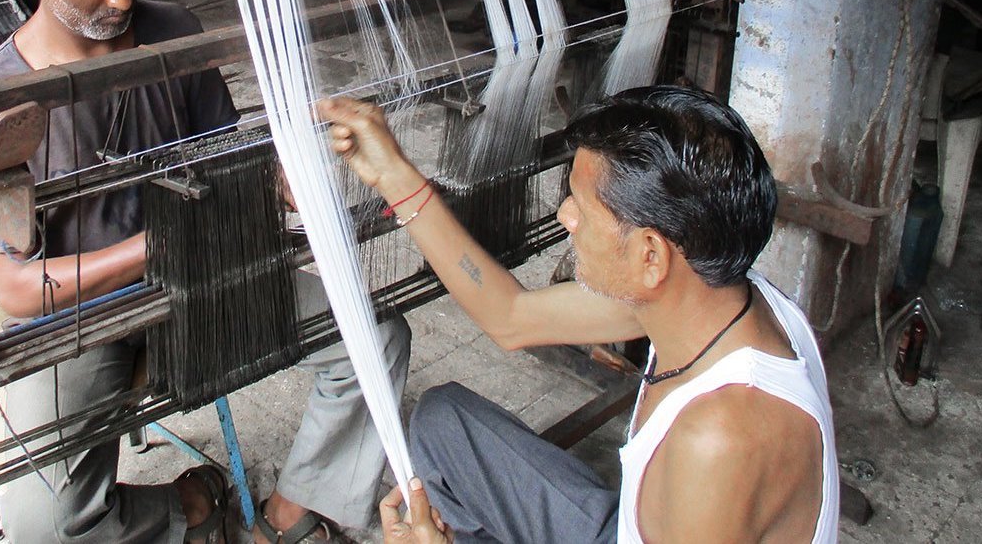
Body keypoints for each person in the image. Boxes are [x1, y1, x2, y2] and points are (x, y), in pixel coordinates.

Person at [0, 0, 411, 544]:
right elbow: (20, 291)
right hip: (82, 313)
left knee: (374, 341)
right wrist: (154, 244)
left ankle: (292, 509)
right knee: (43, 530)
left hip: (204, 273)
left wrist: (279, 179)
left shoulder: (172, 29)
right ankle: (188, 505)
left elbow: (224, 154)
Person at [318, 87, 840, 543]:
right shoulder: (703, 293)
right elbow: (512, 316)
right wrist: (391, 174)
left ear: (650, 255)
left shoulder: (720, 441)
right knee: (442, 421)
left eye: (581, 207)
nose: (564, 215)